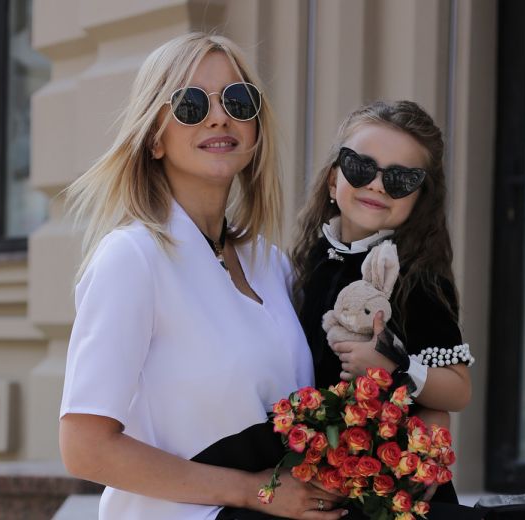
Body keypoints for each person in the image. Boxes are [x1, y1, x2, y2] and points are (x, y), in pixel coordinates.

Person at [58, 32, 346, 520]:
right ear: (154, 137)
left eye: (238, 101)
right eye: (190, 104)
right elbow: (85, 447)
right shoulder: (132, 258)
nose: (219, 117)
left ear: (255, 129)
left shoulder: (269, 263)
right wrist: (255, 492)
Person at [291, 100, 474, 508]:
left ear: (420, 199)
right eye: (360, 167)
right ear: (333, 179)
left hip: (390, 493)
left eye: (399, 179)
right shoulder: (311, 259)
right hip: (322, 480)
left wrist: (392, 366)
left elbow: (458, 390)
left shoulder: (417, 279)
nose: (376, 185)